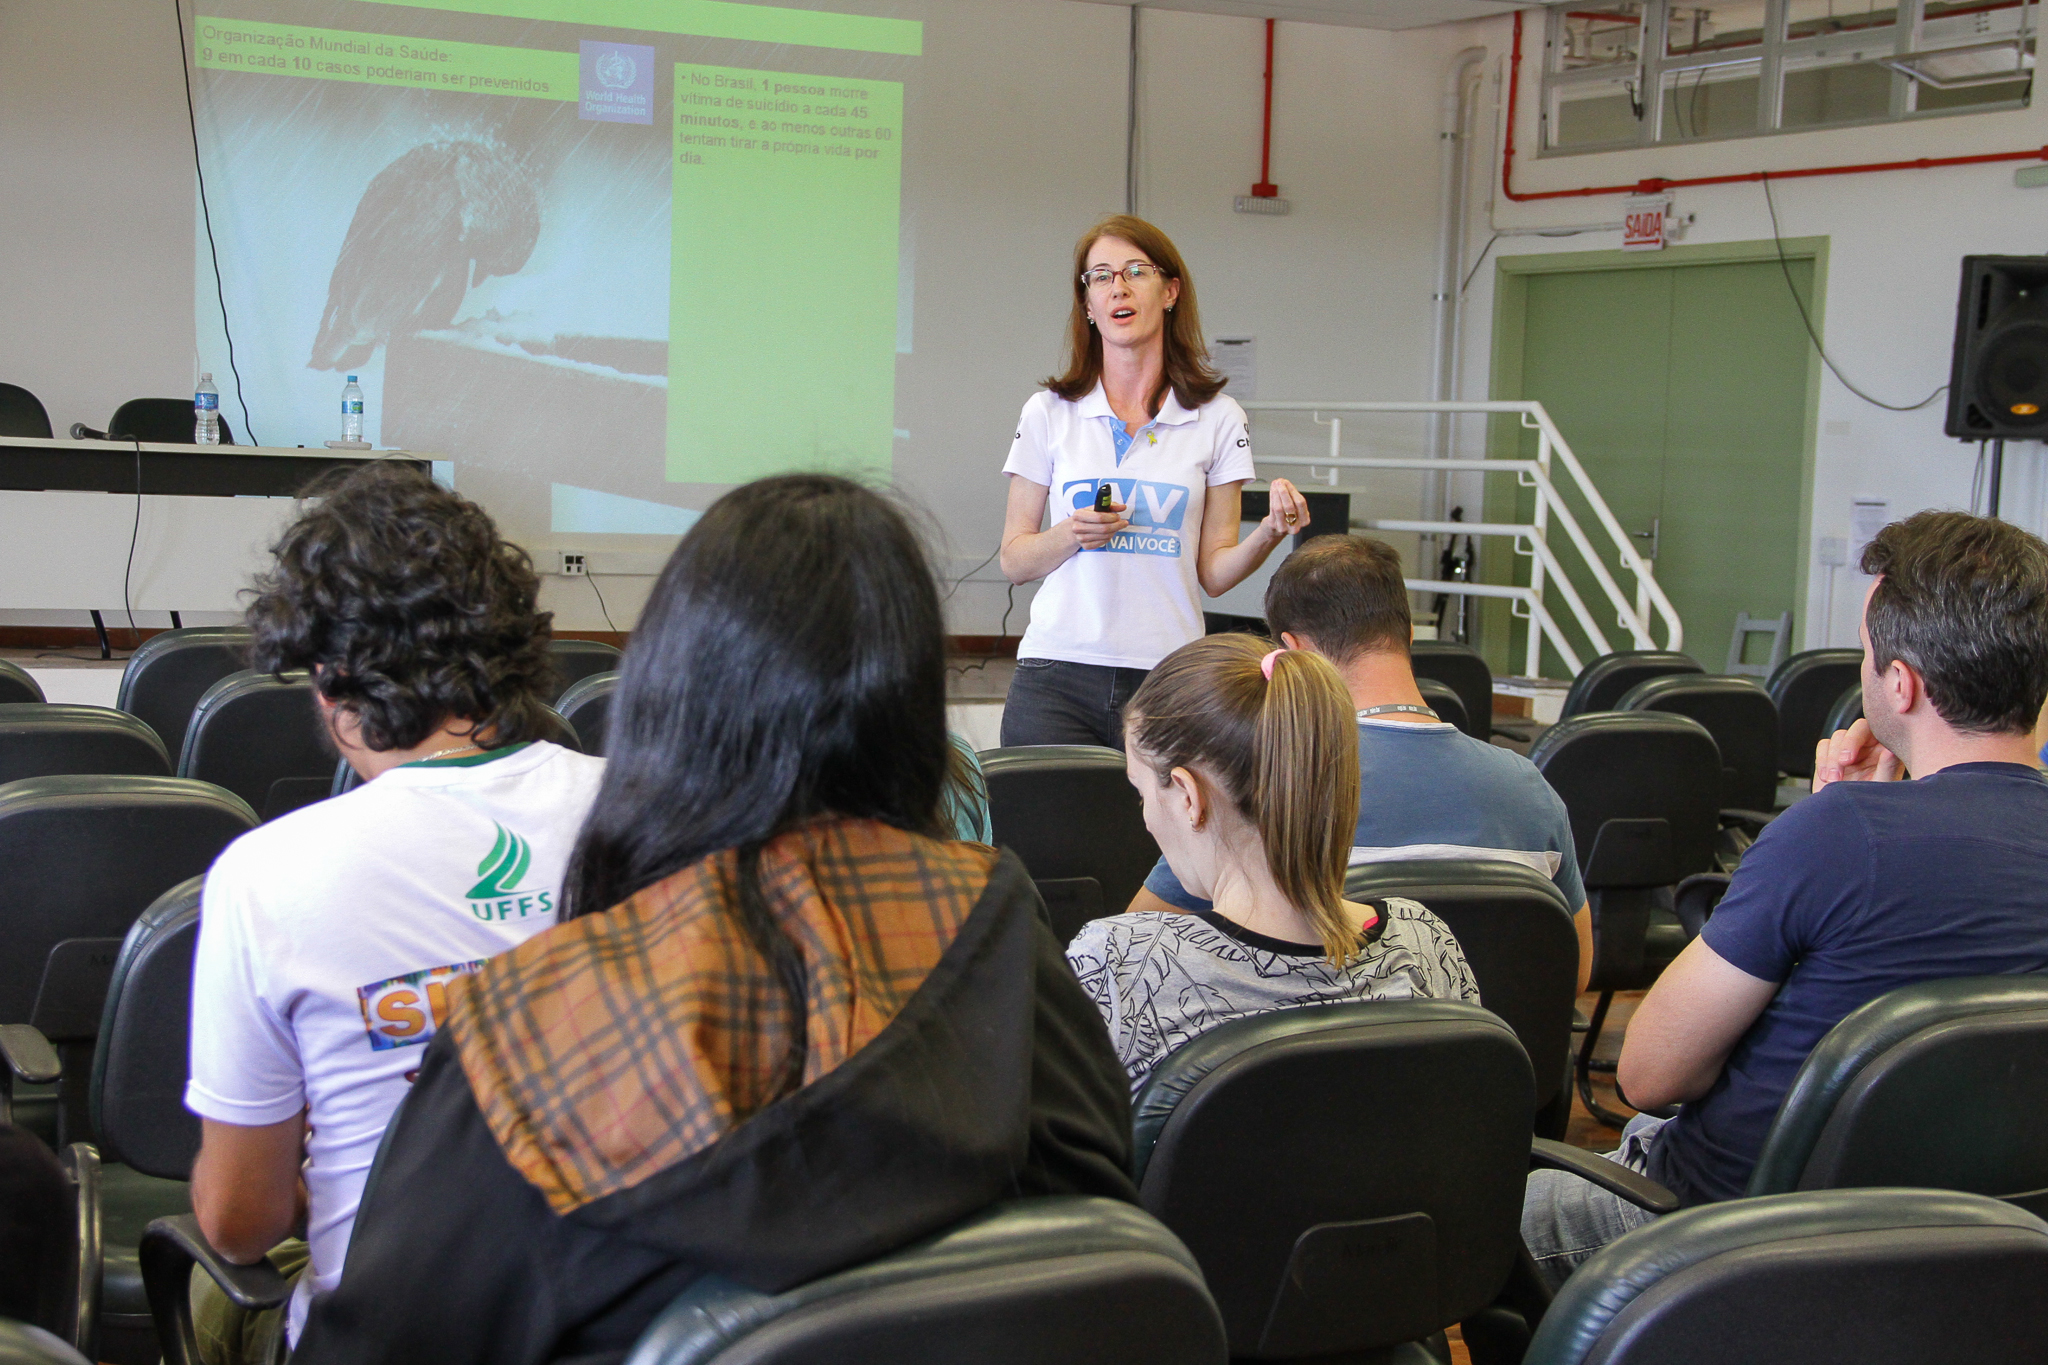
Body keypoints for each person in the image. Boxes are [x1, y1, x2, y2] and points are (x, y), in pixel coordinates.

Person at [294, 475, 1138, 1365]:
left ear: (664, 696)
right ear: (910, 708)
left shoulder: (522, 1037)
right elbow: (1101, 1266)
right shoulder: (1002, 930)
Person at [1522, 510, 2048, 1289]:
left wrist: (1822, 828)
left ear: (1900, 685)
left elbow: (1650, 1076)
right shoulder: (1848, 835)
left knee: (1495, 1209)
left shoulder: (1835, 836)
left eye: (1869, 654)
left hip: (1741, 1239)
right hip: (1982, 1239)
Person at [184, 465, 605, 1362]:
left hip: (391, 1337)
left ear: (330, 677)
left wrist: (310, 1187)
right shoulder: (651, 810)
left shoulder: (267, 875)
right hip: (632, 1323)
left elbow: (235, 1224)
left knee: (209, 1291)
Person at [1127, 535, 1594, 990]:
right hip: (1491, 1061)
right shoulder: (1531, 789)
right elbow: (1572, 975)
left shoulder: (1271, 777)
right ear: (1408, 636)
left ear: (1291, 653)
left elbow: (1137, 958)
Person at [1066, 633, 1480, 1092]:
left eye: (1142, 793)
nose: (1145, 818)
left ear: (1188, 795)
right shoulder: (1425, 944)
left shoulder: (1117, 966)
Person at [997, 214, 1310, 749]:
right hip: (1056, 675)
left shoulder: (1218, 416)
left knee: (1163, 833)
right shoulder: (1049, 411)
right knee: (1037, 830)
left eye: (1135, 271)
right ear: (1089, 306)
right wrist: (1073, 533)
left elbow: (1212, 572)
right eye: (1100, 276)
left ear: (1170, 292)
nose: (1117, 286)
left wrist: (1271, 534)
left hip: (1169, 676)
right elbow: (1014, 559)